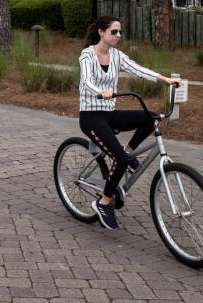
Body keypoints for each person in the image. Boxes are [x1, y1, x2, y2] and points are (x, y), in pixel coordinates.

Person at [78, 15, 182, 230]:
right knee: (121, 160)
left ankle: (129, 149)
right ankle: (104, 203)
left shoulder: (117, 56)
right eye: (114, 32)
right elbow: (87, 80)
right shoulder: (87, 55)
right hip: (91, 116)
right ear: (101, 32)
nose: (119, 36)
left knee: (151, 117)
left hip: (109, 113)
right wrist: (100, 91)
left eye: (120, 32)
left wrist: (165, 80)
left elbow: (139, 69)